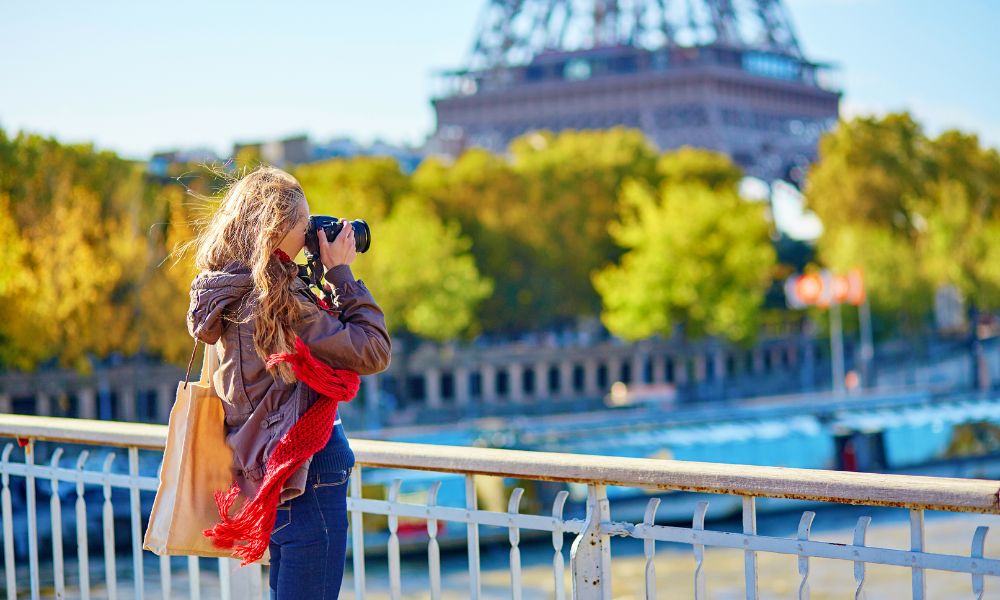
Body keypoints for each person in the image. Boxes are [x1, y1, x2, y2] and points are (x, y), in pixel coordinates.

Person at [183, 165, 391, 598]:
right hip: (307, 473)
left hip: (268, 475)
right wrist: (339, 275)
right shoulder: (279, 301)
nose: (311, 234)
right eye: (304, 225)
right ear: (276, 229)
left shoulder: (226, 292)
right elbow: (373, 350)